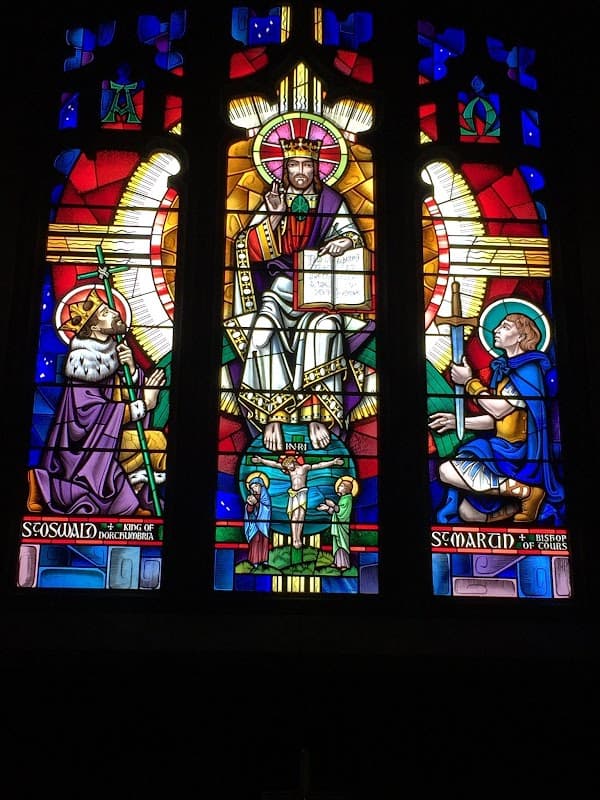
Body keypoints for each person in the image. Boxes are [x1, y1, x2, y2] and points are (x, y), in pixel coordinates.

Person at [233, 135, 375, 452]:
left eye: (307, 164)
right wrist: (274, 215)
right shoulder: (274, 199)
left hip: (319, 293)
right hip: (282, 288)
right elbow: (250, 248)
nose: (301, 171)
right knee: (265, 328)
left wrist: (345, 242)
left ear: (317, 168)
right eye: (294, 164)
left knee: (323, 329)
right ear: (284, 168)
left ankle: (317, 414)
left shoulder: (331, 202)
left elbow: (352, 235)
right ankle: (274, 414)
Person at [26, 287, 167, 517]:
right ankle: (44, 485)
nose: (113, 312)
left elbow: (117, 393)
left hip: (105, 437)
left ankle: (131, 494)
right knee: (155, 444)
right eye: (104, 312)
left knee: (156, 444)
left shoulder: (110, 352)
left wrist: (131, 370)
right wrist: (144, 405)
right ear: (92, 327)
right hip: (81, 446)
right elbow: (90, 415)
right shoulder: (84, 361)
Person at [428, 312, 564, 524]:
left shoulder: (528, 371)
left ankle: (526, 492)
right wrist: (458, 422)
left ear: (521, 337)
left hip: (519, 452)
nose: (497, 330)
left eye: (506, 327)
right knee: (468, 513)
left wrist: (469, 382)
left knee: (446, 470)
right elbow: (497, 420)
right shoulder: (506, 370)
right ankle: (516, 502)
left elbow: (499, 410)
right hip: (501, 446)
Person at [251, 452, 344, 548]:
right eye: (287, 467)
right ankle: (294, 538)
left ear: (293, 461)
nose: (288, 468)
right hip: (293, 494)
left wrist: (333, 462)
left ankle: (298, 538)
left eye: (289, 465)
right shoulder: (290, 471)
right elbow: (274, 464)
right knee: (295, 516)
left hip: (302, 493)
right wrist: (261, 460)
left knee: (301, 516)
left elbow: (319, 465)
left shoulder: (304, 468)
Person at [317, 475, 358, 570]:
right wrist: (326, 508)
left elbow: (342, 512)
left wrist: (333, 505)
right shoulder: (343, 498)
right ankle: (337, 563)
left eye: (341, 486)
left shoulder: (348, 499)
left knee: (342, 545)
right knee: (337, 544)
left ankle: (344, 564)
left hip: (342, 527)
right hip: (338, 525)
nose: (339, 487)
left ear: (347, 489)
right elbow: (336, 513)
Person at [243, 472, 272, 567]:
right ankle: (254, 561)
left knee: (264, 542)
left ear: (260, 486)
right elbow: (249, 511)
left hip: (263, 524)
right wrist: (250, 505)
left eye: (255, 486)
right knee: (255, 541)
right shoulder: (251, 497)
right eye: (252, 487)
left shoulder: (265, 497)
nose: (253, 489)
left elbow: (266, 509)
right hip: (254, 525)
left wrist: (257, 503)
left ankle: (264, 560)